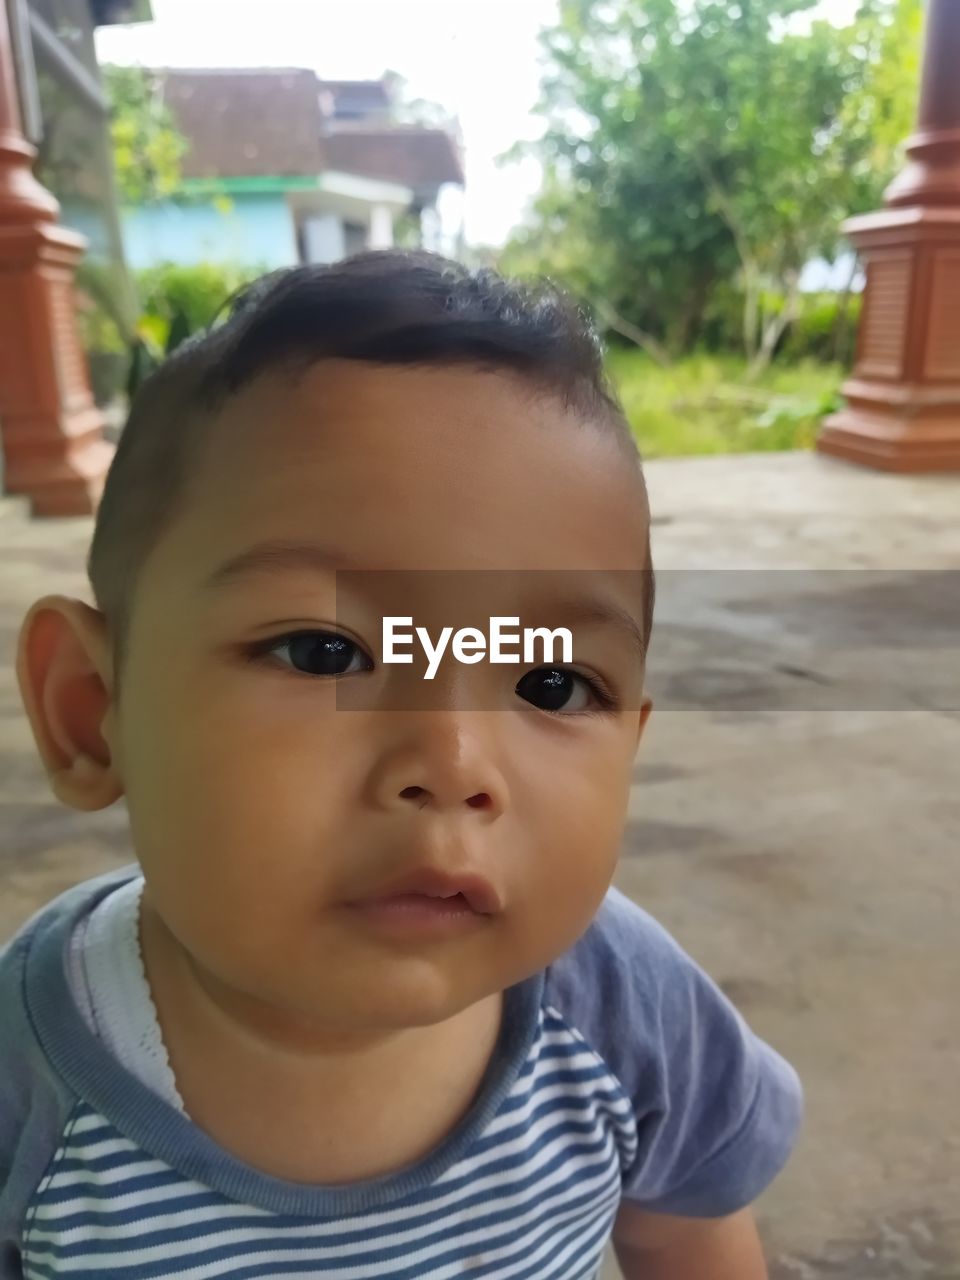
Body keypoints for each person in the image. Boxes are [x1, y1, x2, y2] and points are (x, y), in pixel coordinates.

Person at [0, 251, 802, 1279]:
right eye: (324, 650)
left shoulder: (622, 1003)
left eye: (551, 685)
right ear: (91, 713)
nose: (455, 762)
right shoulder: (32, 1067)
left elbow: (688, 1235)